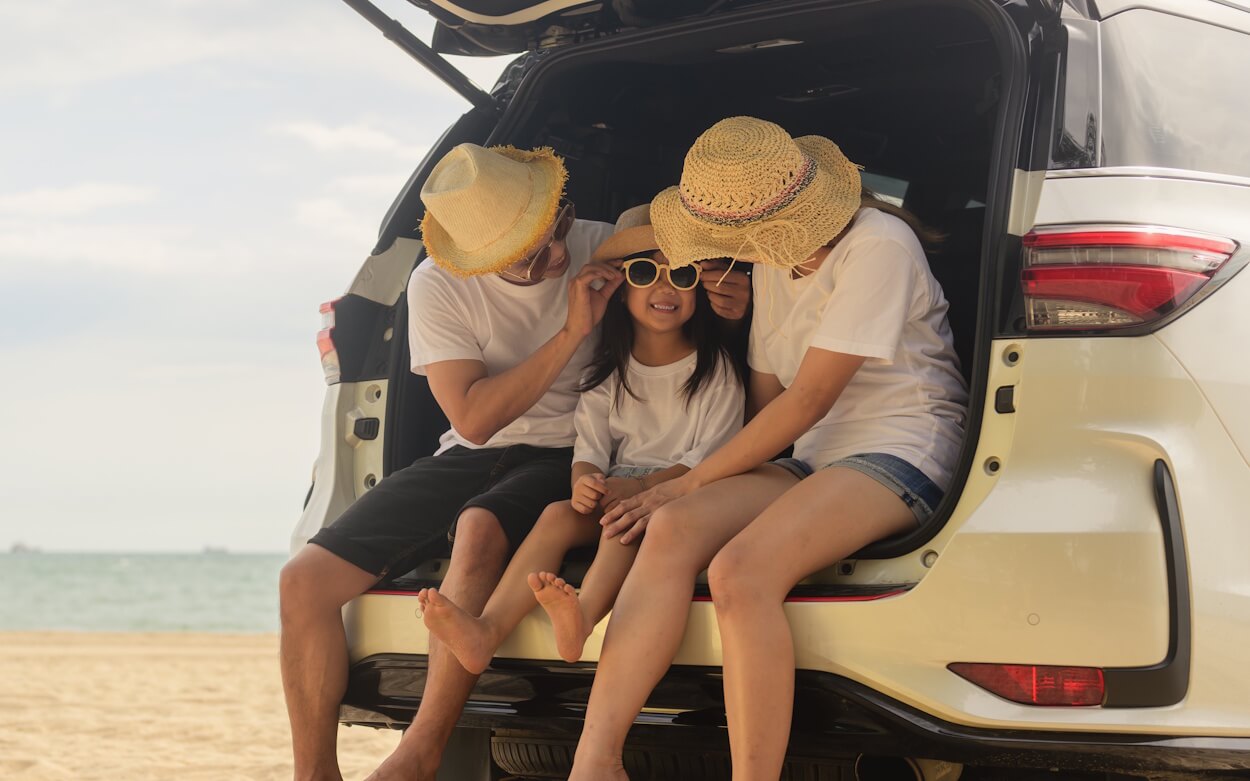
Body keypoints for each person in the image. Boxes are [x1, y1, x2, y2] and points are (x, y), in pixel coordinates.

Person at [565, 116, 969, 781]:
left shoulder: (879, 245)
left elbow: (808, 400)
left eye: (723, 241)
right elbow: (769, 407)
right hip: (811, 453)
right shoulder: (773, 267)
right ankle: (596, 760)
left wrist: (687, 480)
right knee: (668, 528)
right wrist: (738, 318)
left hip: (901, 444)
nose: (716, 255)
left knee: (738, 571)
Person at [278, 142, 624, 781]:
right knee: (302, 583)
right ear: (481, 258)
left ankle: (421, 751)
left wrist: (625, 235)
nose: (554, 258)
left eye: (557, 233)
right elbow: (472, 418)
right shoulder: (437, 283)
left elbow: (677, 231)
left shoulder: (592, 238)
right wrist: (572, 331)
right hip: (474, 448)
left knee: (479, 527)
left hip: (574, 450)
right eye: (526, 258)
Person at [413, 217, 745, 675]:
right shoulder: (609, 373)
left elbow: (710, 460)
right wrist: (584, 482)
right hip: (618, 490)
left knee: (617, 527)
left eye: (683, 275)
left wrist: (642, 487)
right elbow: (589, 445)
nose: (665, 288)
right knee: (556, 515)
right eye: (646, 273)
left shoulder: (716, 373)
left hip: (684, 495)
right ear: (620, 287)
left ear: (701, 290)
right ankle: (486, 630)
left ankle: (583, 614)